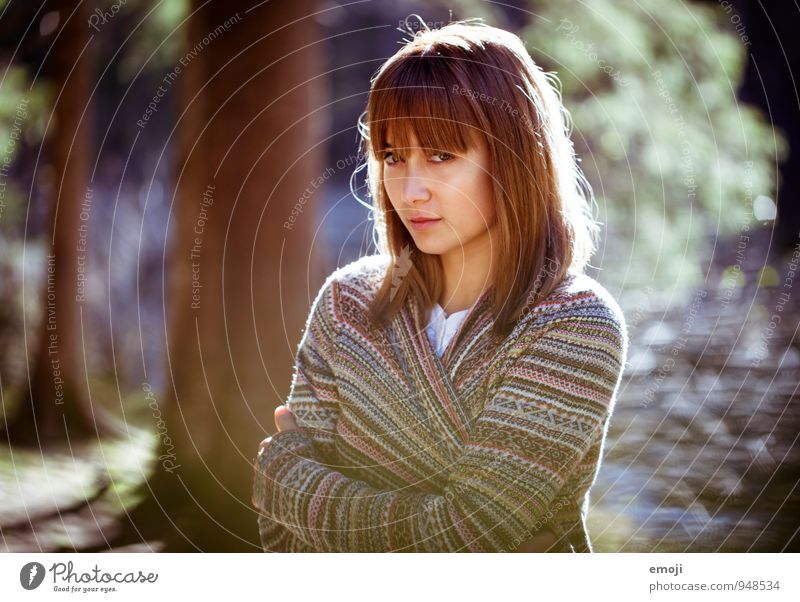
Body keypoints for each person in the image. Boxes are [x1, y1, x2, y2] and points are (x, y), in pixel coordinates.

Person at [252, 17, 628, 553]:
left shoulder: (575, 322)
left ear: (516, 157)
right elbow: (281, 544)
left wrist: (294, 487)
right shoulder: (346, 303)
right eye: (392, 157)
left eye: (442, 156)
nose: (410, 190)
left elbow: (462, 537)